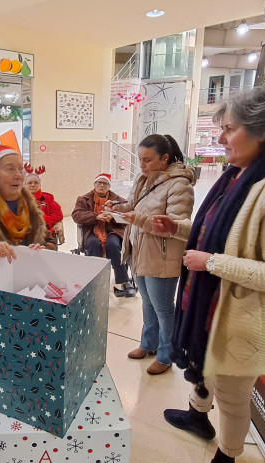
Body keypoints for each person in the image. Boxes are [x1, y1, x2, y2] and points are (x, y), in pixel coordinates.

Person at [156, 88, 265, 463]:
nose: (221, 138)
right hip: (212, 308)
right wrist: (178, 229)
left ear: (260, 132)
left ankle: (228, 455)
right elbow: (221, 234)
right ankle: (198, 416)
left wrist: (210, 263)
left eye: (229, 129)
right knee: (207, 372)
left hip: (243, 319)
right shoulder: (236, 175)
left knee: (231, 395)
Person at [112, 134, 194, 375]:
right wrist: (116, 209)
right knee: (147, 302)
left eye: (147, 160)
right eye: (140, 159)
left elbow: (179, 226)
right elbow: (133, 206)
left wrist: (138, 219)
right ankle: (148, 344)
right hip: (140, 251)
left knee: (164, 308)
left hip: (163, 256)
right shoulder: (143, 178)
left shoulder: (180, 184)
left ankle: (167, 355)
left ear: (164, 158)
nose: (142, 165)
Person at [0, 143, 57, 263]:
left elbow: (50, 241)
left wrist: (43, 248)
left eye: (20, 169)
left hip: (29, 271)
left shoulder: (32, 206)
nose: (18, 175)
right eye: (10, 169)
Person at [72, 173, 136, 296]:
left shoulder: (118, 200)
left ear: (109, 186)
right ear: (94, 185)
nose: (102, 185)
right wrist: (97, 217)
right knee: (93, 244)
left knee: (112, 244)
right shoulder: (83, 199)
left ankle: (124, 281)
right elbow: (76, 215)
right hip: (92, 230)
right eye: (99, 183)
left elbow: (127, 213)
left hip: (112, 230)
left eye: (105, 183)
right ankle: (94, 281)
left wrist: (112, 216)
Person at [24, 165, 65, 245]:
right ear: (25, 185)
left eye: (36, 183)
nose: (33, 185)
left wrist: (43, 220)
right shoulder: (18, 199)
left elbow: (58, 215)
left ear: (40, 185)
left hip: (44, 232)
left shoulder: (47, 198)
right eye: (30, 183)